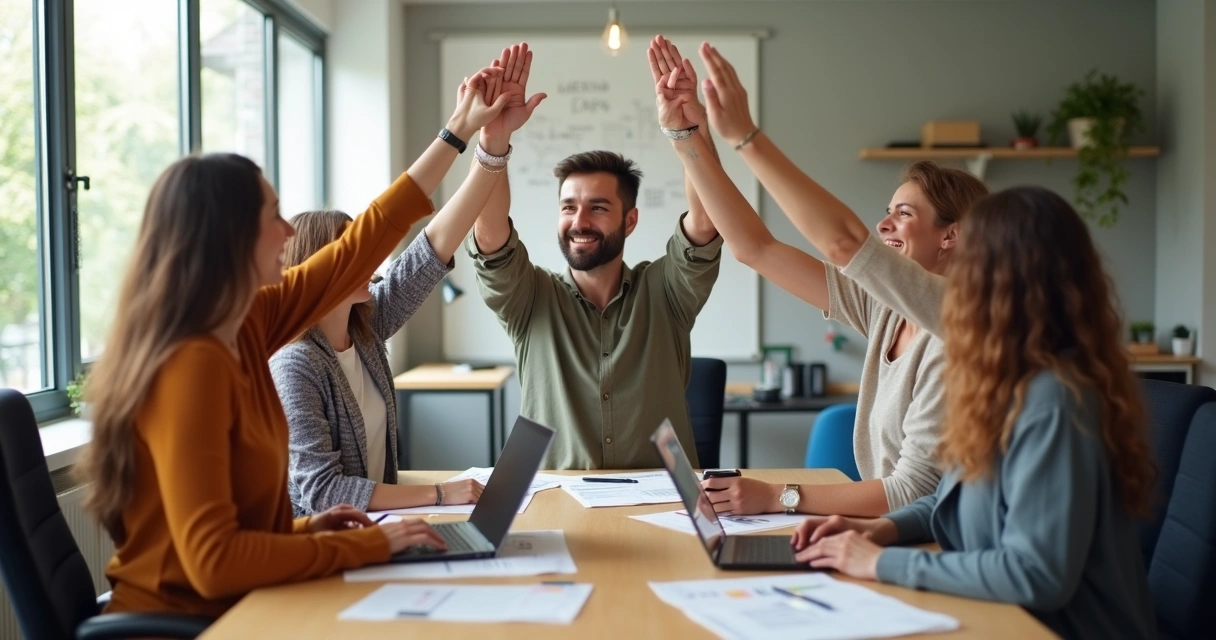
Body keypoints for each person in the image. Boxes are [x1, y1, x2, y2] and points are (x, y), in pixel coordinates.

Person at [688, 45, 1157, 639]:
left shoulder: (1048, 398)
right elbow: (948, 503)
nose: (885, 227)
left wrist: (878, 558)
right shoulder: (999, 377)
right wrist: (880, 532)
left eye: (903, 215)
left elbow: (1037, 574)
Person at [77, 65, 509, 618]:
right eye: (272, 215)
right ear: (228, 239)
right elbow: (211, 561)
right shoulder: (191, 365)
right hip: (187, 622)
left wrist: (459, 131)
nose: (287, 233)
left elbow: (365, 239)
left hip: (243, 603)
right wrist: (365, 543)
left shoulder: (251, 322)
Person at [648, 36, 986, 516]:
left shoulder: (961, 326)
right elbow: (754, 248)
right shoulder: (885, 308)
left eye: (903, 214)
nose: (884, 225)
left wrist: (777, 497)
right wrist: (687, 137)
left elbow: (913, 492)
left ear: (949, 236)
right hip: (885, 534)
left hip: (926, 544)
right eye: (885, 212)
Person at [269, 46, 536, 514]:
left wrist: (493, 144)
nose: (370, 261)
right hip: (324, 555)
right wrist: (439, 495)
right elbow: (321, 494)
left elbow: (436, 243)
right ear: (319, 266)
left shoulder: (365, 328)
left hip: (378, 534)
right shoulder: (296, 365)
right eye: (353, 253)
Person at [466, 43, 723, 470]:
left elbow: (706, 221)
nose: (579, 221)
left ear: (631, 220)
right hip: (554, 499)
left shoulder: (666, 292)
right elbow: (490, 236)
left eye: (598, 208)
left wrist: (688, 131)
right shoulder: (530, 298)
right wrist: (494, 139)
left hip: (663, 504)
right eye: (568, 207)